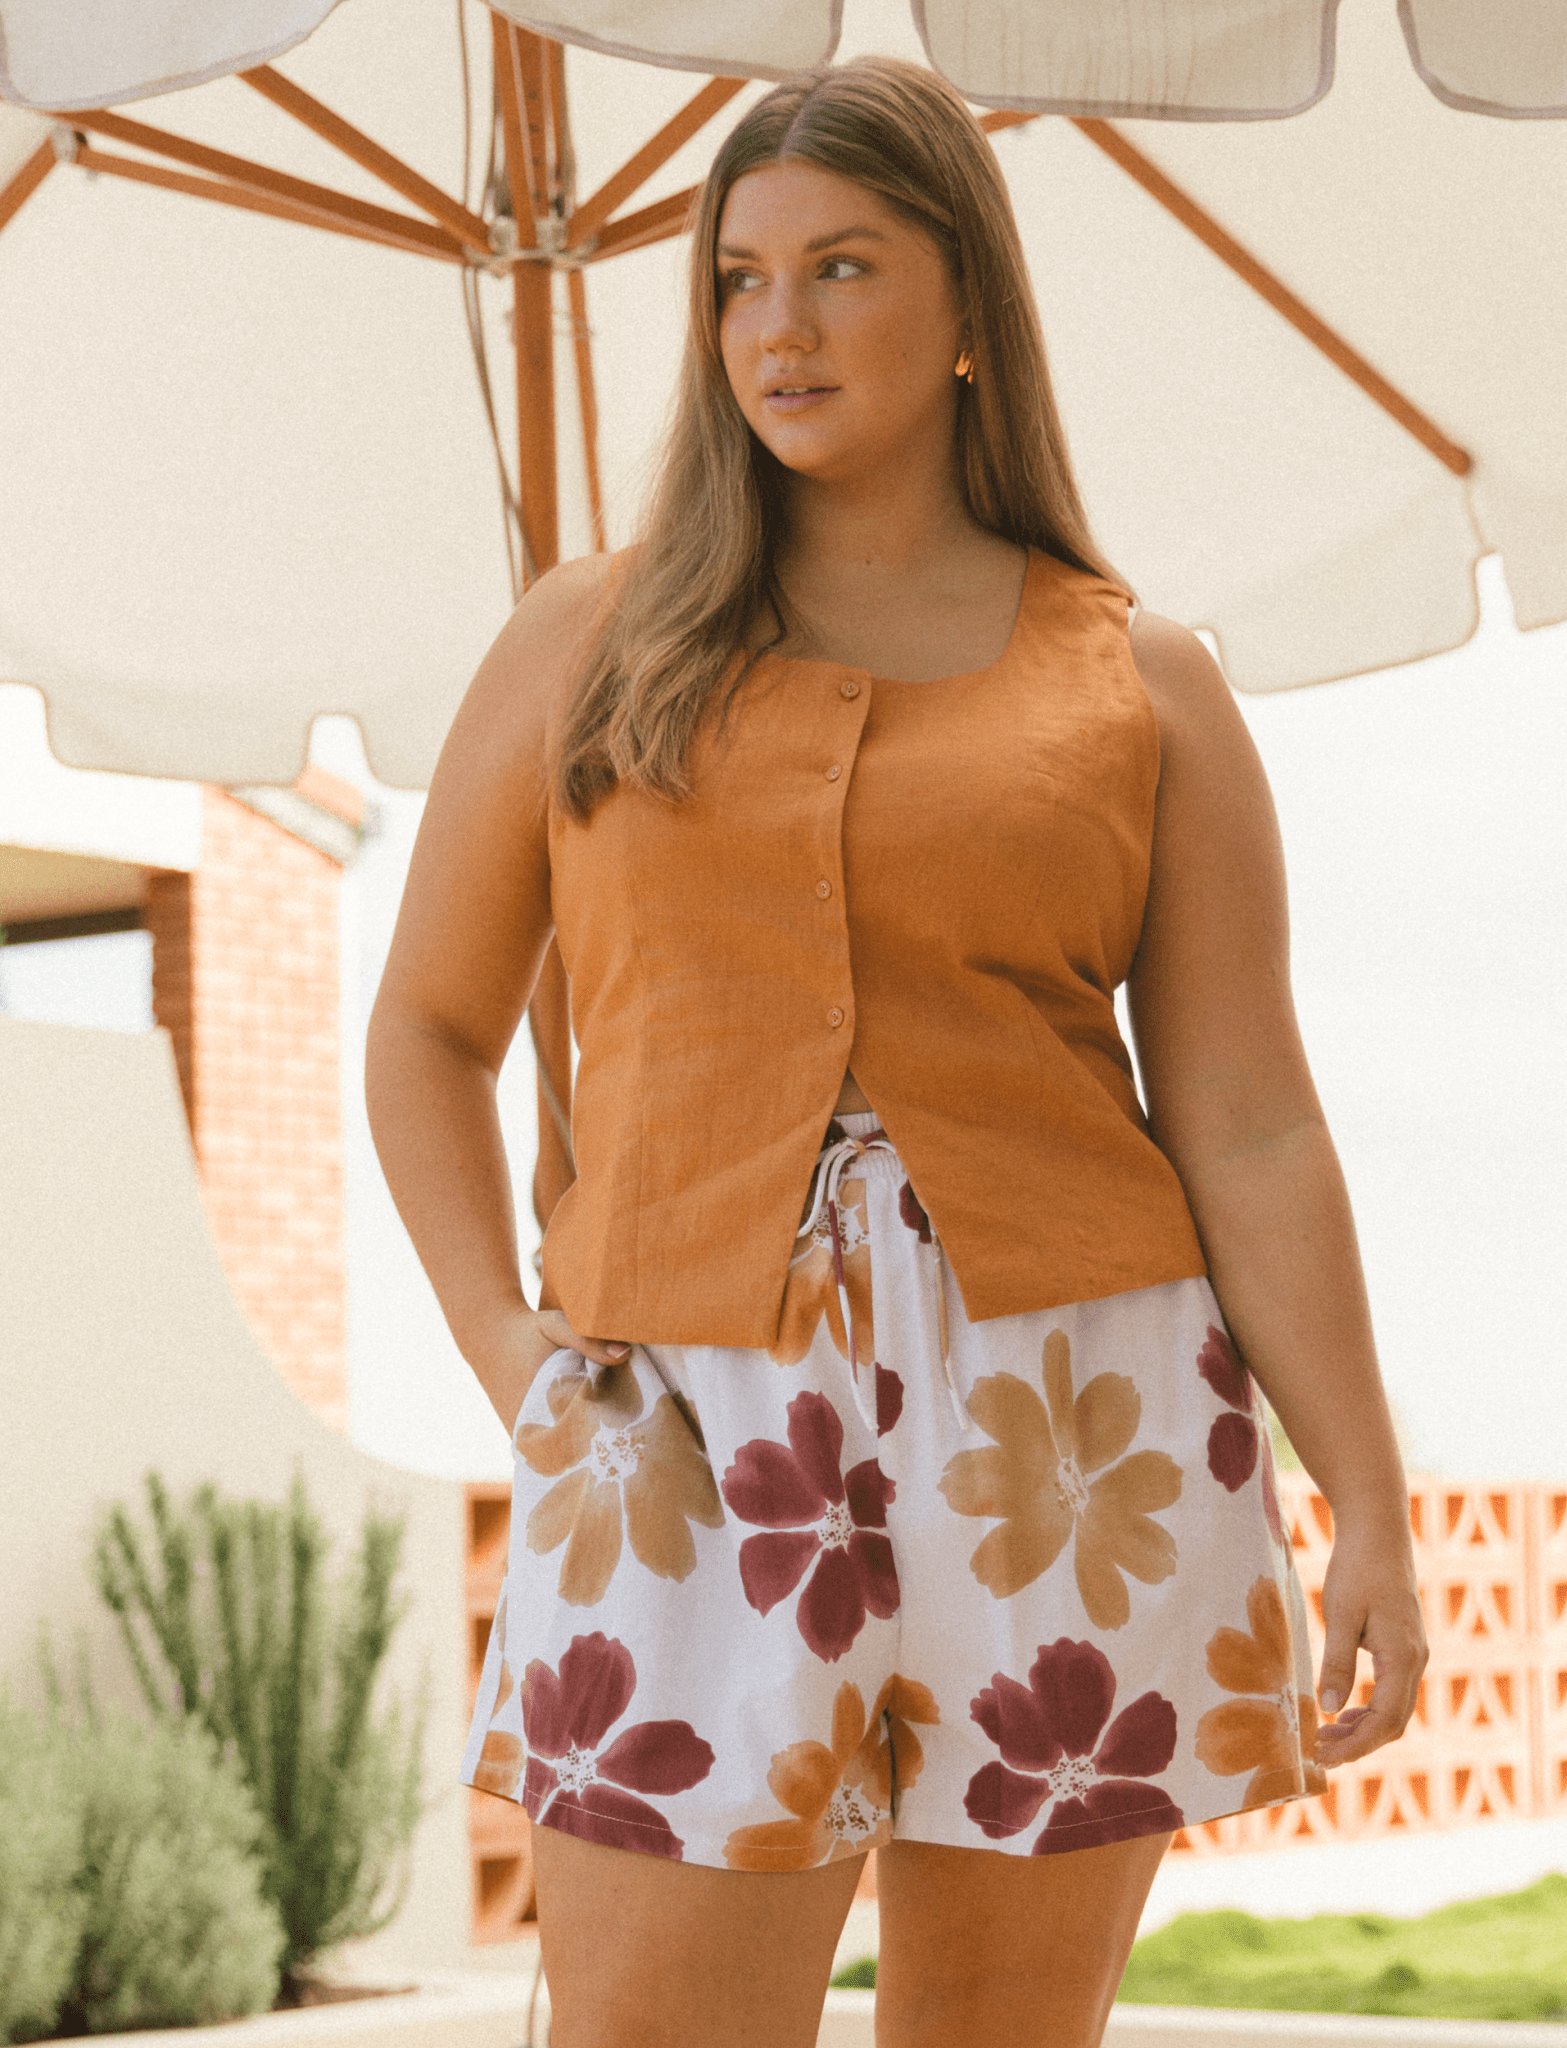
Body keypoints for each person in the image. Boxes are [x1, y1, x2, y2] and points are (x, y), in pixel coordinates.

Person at [366, 53, 1427, 2048]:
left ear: (965, 311)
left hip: (1074, 1427)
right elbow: (427, 1030)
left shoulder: (1143, 686)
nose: (778, 326)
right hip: (678, 1431)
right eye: (738, 280)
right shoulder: (586, 644)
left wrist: (1364, 1493)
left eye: (841, 267)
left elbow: (1249, 1121)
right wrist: (511, 1353)